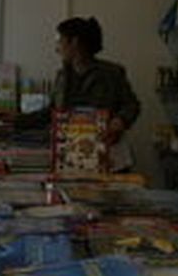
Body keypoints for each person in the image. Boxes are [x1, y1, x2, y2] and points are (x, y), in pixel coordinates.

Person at [33, 16, 141, 172]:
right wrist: (13, 122)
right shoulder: (62, 76)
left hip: (109, 158)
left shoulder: (112, 73)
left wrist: (120, 121)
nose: (56, 48)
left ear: (74, 42)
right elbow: (50, 112)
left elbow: (132, 105)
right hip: (69, 158)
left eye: (59, 40)